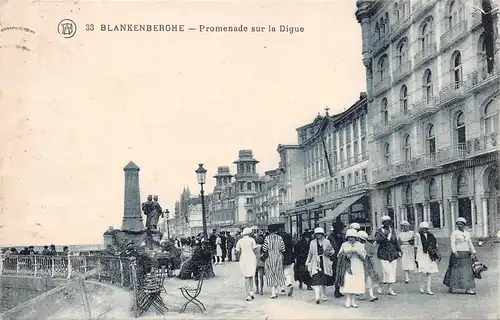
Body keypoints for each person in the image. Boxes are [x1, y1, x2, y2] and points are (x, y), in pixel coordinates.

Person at [443, 217, 477, 295]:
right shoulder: (454, 233)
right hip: (457, 253)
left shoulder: (467, 233)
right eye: (458, 224)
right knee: (455, 270)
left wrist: (474, 252)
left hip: (466, 254)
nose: (459, 225)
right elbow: (452, 243)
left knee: (467, 271)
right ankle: (451, 287)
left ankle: (468, 288)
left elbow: (470, 243)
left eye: (461, 224)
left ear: (464, 225)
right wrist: (455, 252)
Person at [337, 229, 366, 308]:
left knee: (356, 282)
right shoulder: (344, 245)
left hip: (357, 264)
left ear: (355, 237)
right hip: (347, 265)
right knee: (348, 281)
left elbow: (364, 257)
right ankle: (348, 299)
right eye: (349, 237)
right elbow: (339, 255)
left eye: (352, 237)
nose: (350, 239)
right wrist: (346, 255)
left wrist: (357, 252)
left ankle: (353, 301)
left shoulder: (360, 245)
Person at [306, 227, 335, 304]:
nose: (318, 235)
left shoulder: (327, 241)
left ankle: (324, 294)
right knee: (315, 278)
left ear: (322, 234)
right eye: (316, 234)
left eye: (319, 234)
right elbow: (310, 253)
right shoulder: (312, 242)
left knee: (323, 280)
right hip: (315, 262)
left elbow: (332, 251)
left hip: (324, 261)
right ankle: (317, 297)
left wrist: (329, 253)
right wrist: (307, 262)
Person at [374, 215, 401, 296]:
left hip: (393, 253)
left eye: (389, 222)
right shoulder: (379, 231)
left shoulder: (392, 230)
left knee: (392, 271)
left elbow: (395, 241)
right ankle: (380, 285)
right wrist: (384, 236)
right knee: (385, 271)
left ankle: (390, 289)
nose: (388, 223)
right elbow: (378, 240)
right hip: (383, 253)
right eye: (386, 222)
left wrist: (399, 250)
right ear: (383, 223)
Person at [414, 221, 439, 295]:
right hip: (421, 254)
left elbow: (435, 244)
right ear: (420, 228)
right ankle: (422, 286)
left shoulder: (431, 235)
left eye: (426, 228)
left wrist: (436, 252)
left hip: (430, 255)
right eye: (423, 228)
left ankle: (428, 288)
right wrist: (415, 257)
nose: (424, 230)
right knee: (423, 272)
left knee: (429, 272)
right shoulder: (418, 235)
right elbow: (416, 246)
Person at [262, 224, 286, 299]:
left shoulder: (267, 238)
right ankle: (276, 290)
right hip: (278, 256)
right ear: (276, 230)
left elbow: (264, 249)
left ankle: (273, 293)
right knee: (277, 273)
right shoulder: (280, 238)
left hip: (269, 257)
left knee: (270, 273)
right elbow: (283, 249)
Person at [235, 227, 258, 301]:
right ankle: (251, 291)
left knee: (246, 276)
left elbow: (237, 251)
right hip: (251, 258)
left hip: (244, 258)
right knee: (251, 275)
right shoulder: (252, 240)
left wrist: (239, 257)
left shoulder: (240, 241)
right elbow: (255, 250)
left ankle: (248, 294)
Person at [358, 232, 380, 302]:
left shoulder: (367, 245)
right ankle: (361, 294)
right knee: (361, 279)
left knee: (368, 278)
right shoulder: (357, 245)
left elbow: (371, 255)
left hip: (367, 264)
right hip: (359, 264)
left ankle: (371, 295)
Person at [279, 227, 295, 296]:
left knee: (280, 272)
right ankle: (289, 283)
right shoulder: (289, 236)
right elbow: (292, 246)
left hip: (281, 255)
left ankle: (282, 288)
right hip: (289, 256)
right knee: (288, 272)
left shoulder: (279, 237)